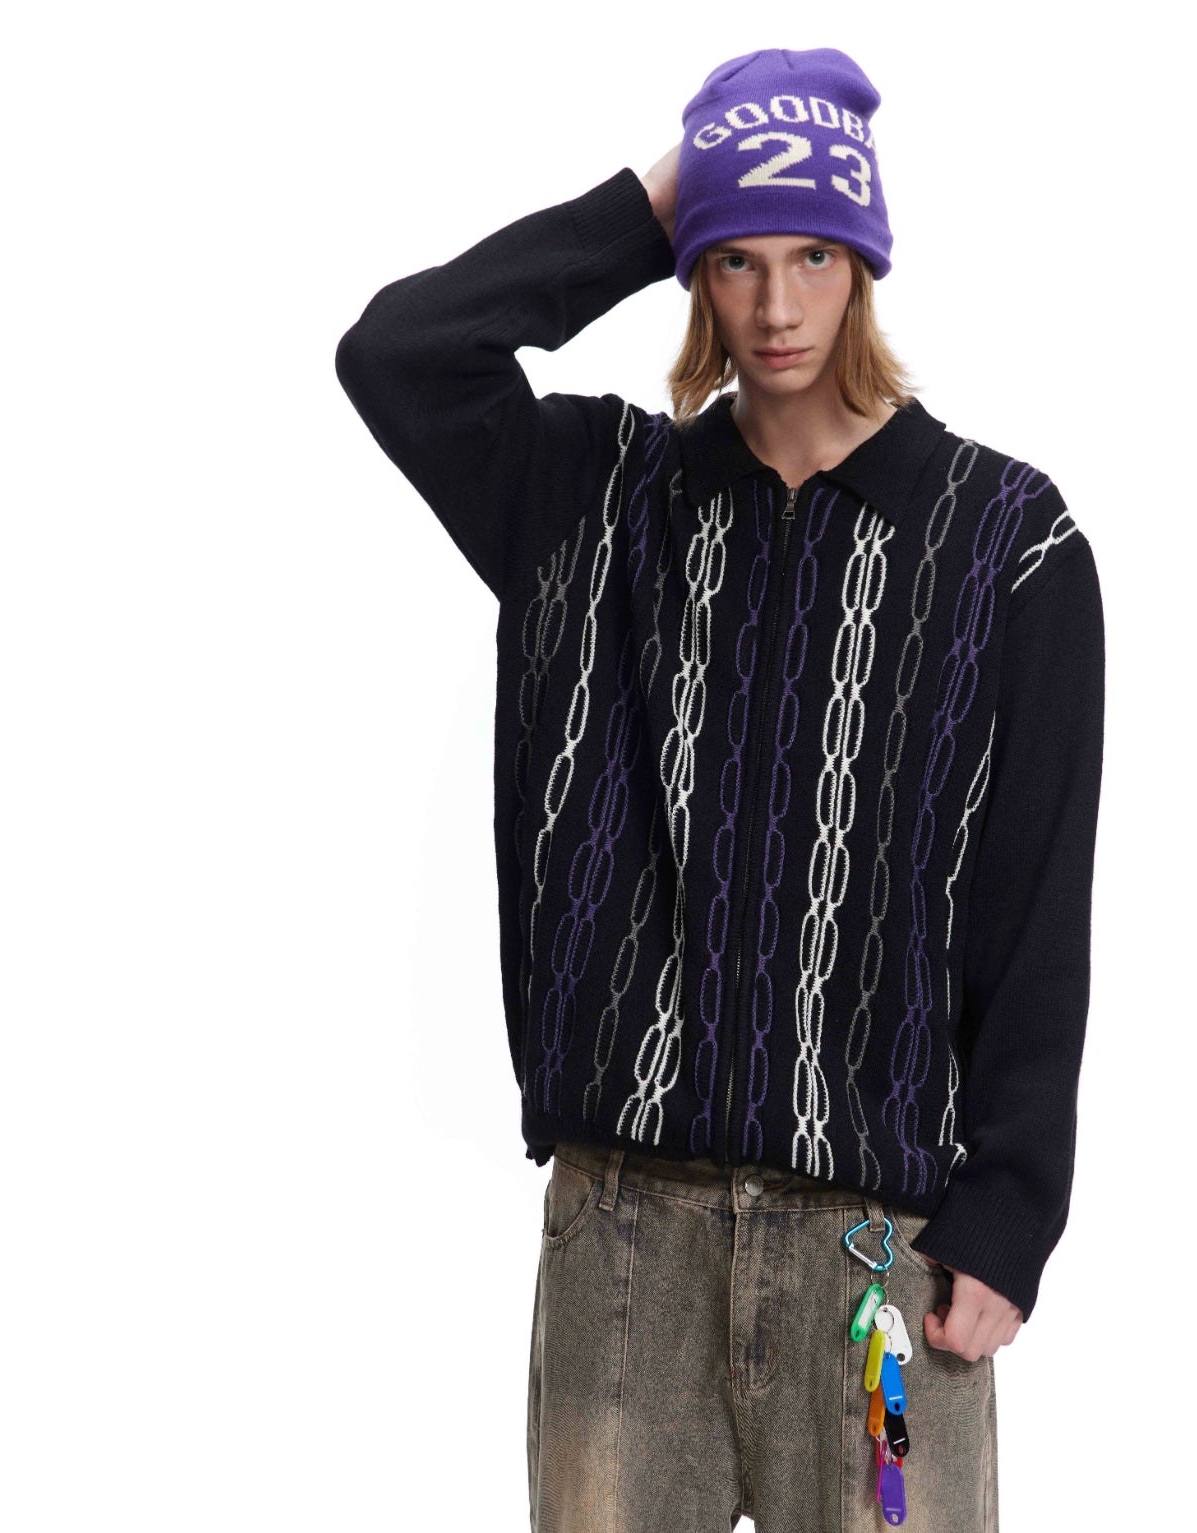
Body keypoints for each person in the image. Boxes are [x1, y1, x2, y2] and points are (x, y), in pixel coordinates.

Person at [335, 45, 1105, 1533]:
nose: (775, 307)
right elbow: (399, 355)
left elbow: (1036, 892)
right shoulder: (594, 501)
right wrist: (654, 202)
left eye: (813, 254)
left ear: (864, 264)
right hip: (624, 1248)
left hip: (880, 1265)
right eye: (735, 258)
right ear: (694, 272)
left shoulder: (1008, 546)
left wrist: (1012, 1212)